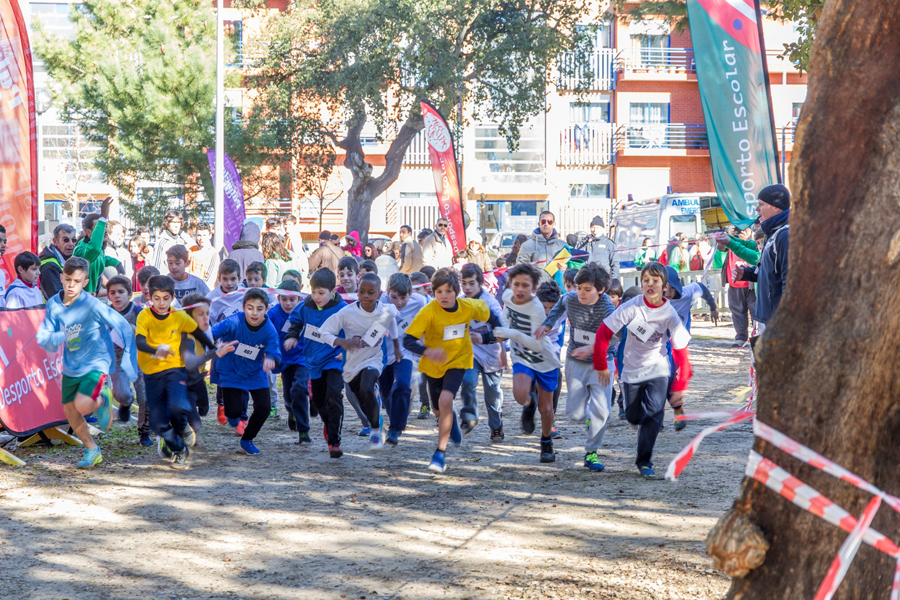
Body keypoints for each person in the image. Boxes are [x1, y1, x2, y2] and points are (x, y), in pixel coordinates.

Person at [592, 262, 693, 478]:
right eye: (646, 280)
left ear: (664, 286)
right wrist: (601, 364)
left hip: (658, 368)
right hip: (632, 371)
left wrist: (679, 385)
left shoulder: (670, 314)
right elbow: (603, 333)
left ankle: (644, 461)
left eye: (655, 281)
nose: (650, 284)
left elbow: (681, 352)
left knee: (655, 413)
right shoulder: (631, 307)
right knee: (634, 417)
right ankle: (637, 419)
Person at [37, 257, 137, 468]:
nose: (72, 285)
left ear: (86, 282)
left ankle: (102, 401)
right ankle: (92, 450)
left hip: (96, 361)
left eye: (78, 281)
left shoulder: (92, 304)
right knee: (70, 411)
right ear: (62, 277)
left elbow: (122, 325)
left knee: (83, 404)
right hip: (71, 366)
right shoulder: (54, 303)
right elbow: (47, 334)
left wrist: (129, 355)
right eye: (68, 279)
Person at [403, 268, 499, 473]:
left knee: (446, 401)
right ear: (433, 292)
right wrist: (428, 351)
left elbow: (493, 318)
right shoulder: (428, 311)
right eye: (439, 292)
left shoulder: (469, 306)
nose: (443, 296)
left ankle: (440, 454)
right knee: (439, 410)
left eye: (448, 291)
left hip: (458, 360)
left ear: (457, 291)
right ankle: (451, 419)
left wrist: (494, 337)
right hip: (433, 366)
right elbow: (408, 340)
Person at [537, 263, 615, 471]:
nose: (581, 293)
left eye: (587, 289)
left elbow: (618, 334)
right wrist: (548, 323)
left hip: (602, 362)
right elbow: (559, 305)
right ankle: (589, 416)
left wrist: (593, 347)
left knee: (603, 412)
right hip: (575, 360)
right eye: (579, 287)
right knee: (575, 413)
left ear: (600, 290)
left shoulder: (607, 307)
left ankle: (591, 453)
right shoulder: (571, 298)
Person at [136, 276, 217, 469]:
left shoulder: (178, 315)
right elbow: (139, 342)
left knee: (177, 405)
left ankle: (182, 426)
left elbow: (197, 332)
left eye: (166, 298)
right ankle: (180, 450)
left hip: (174, 369)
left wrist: (213, 349)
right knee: (157, 423)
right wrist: (156, 351)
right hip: (151, 373)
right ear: (150, 297)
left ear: (172, 297)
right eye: (157, 298)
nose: (161, 303)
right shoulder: (144, 316)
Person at [319, 273, 400, 451]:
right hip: (352, 363)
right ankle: (374, 418)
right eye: (362, 291)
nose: (365, 296)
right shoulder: (347, 313)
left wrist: (396, 345)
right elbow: (324, 332)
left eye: (371, 293)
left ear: (379, 294)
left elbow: (391, 319)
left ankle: (376, 431)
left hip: (375, 358)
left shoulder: (385, 310)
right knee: (361, 395)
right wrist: (343, 342)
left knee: (367, 386)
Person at [492, 263, 562, 463]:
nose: (520, 289)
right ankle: (529, 404)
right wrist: (501, 339)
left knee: (546, 409)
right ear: (510, 284)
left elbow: (537, 345)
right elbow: (506, 317)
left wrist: (511, 333)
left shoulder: (538, 309)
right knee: (520, 394)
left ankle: (546, 442)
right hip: (522, 356)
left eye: (526, 285)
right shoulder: (506, 296)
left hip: (544, 359)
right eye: (516, 284)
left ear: (534, 288)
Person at [284, 269, 348, 458]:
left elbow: (353, 329)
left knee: (335, 395)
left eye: (321, 293)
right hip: (313, 361)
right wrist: (292, 336)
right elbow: (295, 322)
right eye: (313, 292)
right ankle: (328, 423)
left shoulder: (342, 308)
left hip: (335, 359)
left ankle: (334, 441)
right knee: (319, 401)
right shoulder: (305, 306)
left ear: (333, 291)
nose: (316, 297)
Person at [211, 288, 282, 455]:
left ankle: (247, 440)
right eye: (250, 308)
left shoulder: (269, 329)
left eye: (259, 309)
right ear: (243, 308)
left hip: (255, 371)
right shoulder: (233, 321)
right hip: (231, 370)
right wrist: (217, 344)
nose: (254, 313)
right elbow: (211, 333)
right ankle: (226, 408)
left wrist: (271, 358)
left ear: (266, 309)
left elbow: (275, 349)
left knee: (264, 408)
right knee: (233, 414)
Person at [459, 263, 507, 442]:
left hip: (492, 353)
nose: (467, 287)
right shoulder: (460, 301)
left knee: (492, 395)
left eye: (471, 283)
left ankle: (496, 426)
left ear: (480, 283)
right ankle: (470, 416)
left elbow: (503, 332)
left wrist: (484, 338)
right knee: (467, 381)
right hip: (471, 352)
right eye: (464, 283)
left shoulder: (490, 303)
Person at [379, 273, 428, 445]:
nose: (398, 302)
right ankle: (395, 419)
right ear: (387, 293)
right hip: (384, 354)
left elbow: (428, 319)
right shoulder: (382, 303)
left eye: (403, 298)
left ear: (411, 294)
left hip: (406, 352)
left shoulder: (420, 302)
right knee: (386, 393)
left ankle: (395, 429)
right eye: (394, 297)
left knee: (402, 384)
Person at [734, 184, 790, 333]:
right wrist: (746, 274)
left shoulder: (785, 235)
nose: (757, 209)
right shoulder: (773, 232)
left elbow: (790, 282)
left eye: (761, 205)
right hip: (767, 317)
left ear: (776, 207)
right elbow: (769, 272)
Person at [105, 275, 151, 445]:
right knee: (122, 394)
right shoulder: (105, 314)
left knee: (145, 397)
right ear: (108, 296)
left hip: (140, 361)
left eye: (121, 292)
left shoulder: (139, 312)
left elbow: (150, 332)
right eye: (113, 293)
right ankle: (126, 403)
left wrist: (136, 330)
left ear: (130, 294)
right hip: (118, 363)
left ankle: (144, 432)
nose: (117, 296)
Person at [267, 279, 311, 444]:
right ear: (278, 298)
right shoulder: (273, 314)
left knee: (299, 389)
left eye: (292, 299)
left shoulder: (307, 311)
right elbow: (266, 332)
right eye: (284, 299)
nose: (287, 303)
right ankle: (291, 411)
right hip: (284, 359)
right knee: (288, 395)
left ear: (299, 299)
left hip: (303, 357)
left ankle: (304, 431)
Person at [179, 293, 218, 435]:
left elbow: (209, 342)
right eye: (200, 314)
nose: (206, 317)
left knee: (204, 407)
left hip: (198, 377)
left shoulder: (204, 328)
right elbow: (189, 363)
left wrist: (216, 347)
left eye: (207, 313)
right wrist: (213, 354)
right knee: (196, 424)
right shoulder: (186, 337)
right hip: (184, 381)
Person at [714, 227, 759, 346]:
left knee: (755, 310)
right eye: (738, 230)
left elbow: (754, 254)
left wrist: (748, 238)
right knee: (737, 311)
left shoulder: (755, 242)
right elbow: (721, 247)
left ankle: (757, 336)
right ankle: (741, 337)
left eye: (744, 229)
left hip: (751, 284)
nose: (740, 232)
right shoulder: (731, 242)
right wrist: (727, 236)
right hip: (734, 283)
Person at [73, 198, 122, 294]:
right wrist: (103, 216)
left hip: (90, 300)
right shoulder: (82, 250)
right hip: (80, 303)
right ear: (88, 232)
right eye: (100, 228)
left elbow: (101, 258)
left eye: (106, 227)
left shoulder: (99, 249)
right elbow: (94, 249)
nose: (106, 231)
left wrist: (116, 263)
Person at [516, 211, 567, 284]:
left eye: (549, 222)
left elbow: (572, 273)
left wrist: (566, 269)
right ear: (539, 224)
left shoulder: (563, 246)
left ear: (554, 224)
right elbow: (520, 269)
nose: (546, 224)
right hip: (535, 292)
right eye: (543, 221)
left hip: (557, 291)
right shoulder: (527, 246)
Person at [39, 224, 77, 299]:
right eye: (66, 240)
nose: (71, 244)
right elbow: (58, 297)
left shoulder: (64, 260)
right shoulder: (49, 265)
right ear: (55, 241)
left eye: (73, 240)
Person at [188, 222, 220, 290]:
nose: (201, 238)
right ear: (196, 235)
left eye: (204, 235)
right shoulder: (191, 250)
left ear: (210, 236)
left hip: (204, 292)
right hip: (189, 290)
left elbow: (210, 279)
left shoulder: (213, 254)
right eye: (199, 235)